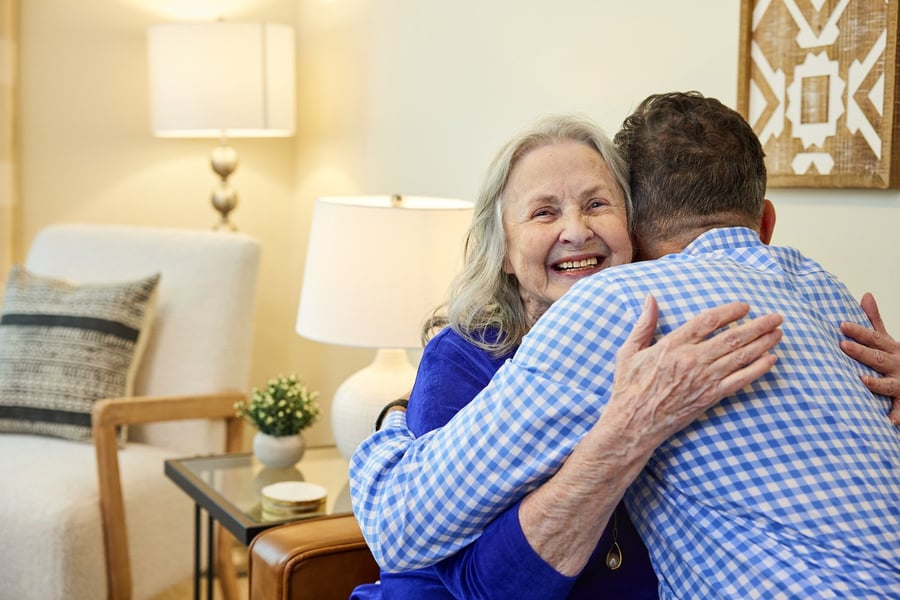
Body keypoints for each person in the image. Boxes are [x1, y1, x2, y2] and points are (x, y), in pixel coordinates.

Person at [350, 92, 900, 598]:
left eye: (597, 205)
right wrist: (395, 418)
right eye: (544, 212)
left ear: (634, 229)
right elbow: (445, 564)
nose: (576, 231)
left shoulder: (664, 315)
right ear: (502, 248)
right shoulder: (467, 357)